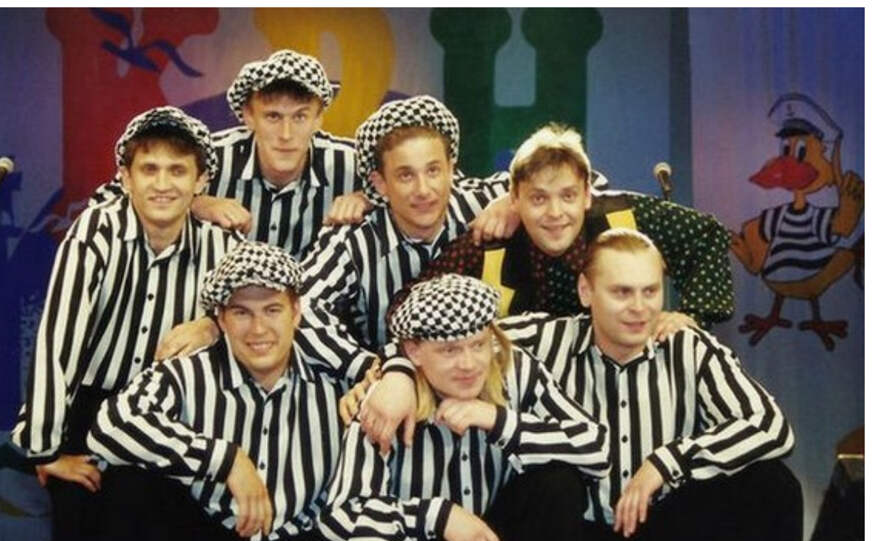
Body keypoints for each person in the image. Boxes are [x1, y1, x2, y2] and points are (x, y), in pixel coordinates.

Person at [372, 228, 803, 541]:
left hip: (668, 527)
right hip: (584, 540)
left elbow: (771, 426)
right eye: (621, 292)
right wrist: (398, 372)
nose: (639, 308)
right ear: (585, 291)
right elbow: (447, 339)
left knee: (772, 485)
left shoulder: (687, 346)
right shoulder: (541, 338)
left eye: (651, 291)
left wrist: (668, 462)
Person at [357, 122, 736, 449]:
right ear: (514, 199)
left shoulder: (626, 216)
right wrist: (400, 372)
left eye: (568, 196)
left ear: (587, 195)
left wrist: (692, 315)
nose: (555, 214)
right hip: (528, 417)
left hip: (632, 399)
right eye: (538, 198)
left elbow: (708, 234)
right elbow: (406, 307)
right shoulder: (490, 244)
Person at [8, 106, 241, 541]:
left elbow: (258, 328)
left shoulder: (222, 246)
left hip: (168, 416)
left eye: (178, 170)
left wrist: (211, 323)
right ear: (125, 177)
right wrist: (46, 448)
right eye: (149, 169)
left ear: (201, 181)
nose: (163, 184)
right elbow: (58, 338)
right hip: (88, 407)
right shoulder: (96, 230)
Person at [318, 274, 609, 541]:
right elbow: (340, 519)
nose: (469, 364)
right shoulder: (386, 401)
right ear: (414, 351)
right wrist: (438, 516)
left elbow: (597, 449)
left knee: (559, 485)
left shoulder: (514, 369)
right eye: (449, 350)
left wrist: (498, 420)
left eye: (478, 345)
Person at [87, 241, 350, 541]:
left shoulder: (336, 383)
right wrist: (224, 460)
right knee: (130, 486)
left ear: (296, 313)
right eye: (242, 312)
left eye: (272, 310)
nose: (258, 329)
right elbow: (110, 424)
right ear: (221, 320)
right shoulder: (187, 372)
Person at [295, 95, 511, 374]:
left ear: (451, 169)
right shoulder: (353, 239)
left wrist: (517, 201)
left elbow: (564, 174)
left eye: (433, 171)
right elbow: (300, 307)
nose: (423, 190)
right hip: (394, 385)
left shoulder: (484, 201)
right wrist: (368, 368)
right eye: (406, 175)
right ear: (380, 183)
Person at [89, 49, 370, 259]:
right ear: (248, 116)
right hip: (213, 309)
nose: (286, 134)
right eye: (272, 116)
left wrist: (367, 198)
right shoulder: (207, 155)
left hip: (313, 307)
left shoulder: (351, 163)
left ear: (319, 119)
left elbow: (395, 189)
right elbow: (103, 201)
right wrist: (192, 203)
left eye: (300, 117)